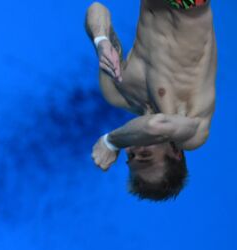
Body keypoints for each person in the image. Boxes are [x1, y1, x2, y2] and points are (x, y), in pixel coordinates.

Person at [86, 0, 217, 201]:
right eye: (145, 156)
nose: (133, 148)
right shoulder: (193, 132)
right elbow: (155, 126)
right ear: (176, 152)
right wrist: (111, 142)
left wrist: (101, 41)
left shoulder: (117, 93)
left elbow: (97, 9)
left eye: (130, 157)